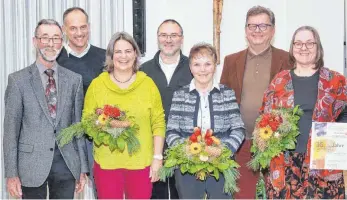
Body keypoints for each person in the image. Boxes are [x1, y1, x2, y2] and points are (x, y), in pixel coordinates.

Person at [3, 19, 88, 199]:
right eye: (45, 38)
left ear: (62, 42)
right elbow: (11, 131)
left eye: (56, 38)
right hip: (31, 166)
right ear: (35, 41)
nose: (51, 44)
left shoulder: (74, 80)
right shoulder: (18, 81)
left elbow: (77, 128)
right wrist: (11, 174)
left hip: (66, 164)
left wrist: (82, 168)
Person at [261, 26, 347, 199]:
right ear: (292, 48)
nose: (303, 48)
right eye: (298, 43)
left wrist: (339, 134)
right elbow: (265, 117)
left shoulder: (335, 80)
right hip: (285, 163)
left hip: (323, 162)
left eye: (309, 43)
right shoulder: (279, 81)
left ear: (318, 48)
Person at [220, 5, 291, 198]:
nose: (256, 31)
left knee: (280, 194)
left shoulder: (287, 59)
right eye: (252, 26)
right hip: (242, 142)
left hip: (277, 144)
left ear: (273, 30)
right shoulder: (231, 60)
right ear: (245, 30)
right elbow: (222, 102)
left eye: (263, 26)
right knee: (242, 195)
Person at [83, 31, 165, 199]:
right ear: (111, 56)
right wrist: (104, 127)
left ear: (135, 54)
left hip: (141, 163)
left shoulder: (148, 84)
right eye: (118, 52)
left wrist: (157, 158)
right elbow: (87, 121)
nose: (123, 56)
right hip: (107, 163)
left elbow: (158, 123)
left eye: (128, 51)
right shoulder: (97, 85)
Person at [166, 43, 245, 199]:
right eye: (197, 64)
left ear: (214, 66)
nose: (202, 69)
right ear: (190, 67)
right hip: (187, 166)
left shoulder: (227, 93)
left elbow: (238, 128)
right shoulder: (180, 95)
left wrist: (223, 151)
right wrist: (186, 152)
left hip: (221, 164)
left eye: (207, 64)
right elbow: (171, 131)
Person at [140, 19, 192, 199]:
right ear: (157, 38)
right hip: (152, 147)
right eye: (164, 35)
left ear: (182, 39)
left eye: (174, 35)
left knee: (184, 195)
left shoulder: (194, 69)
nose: (168, 40)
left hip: (186, 147)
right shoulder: (143, 71)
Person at [56, 7, 106, 194]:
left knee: (103, 192)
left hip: (98, 139)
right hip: (66, 139)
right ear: (64, 29)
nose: (79, 33)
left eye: (83, 27)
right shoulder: (55, 59)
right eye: (73, 28)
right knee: (66, 192)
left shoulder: (104, 58)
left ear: (89, 27)